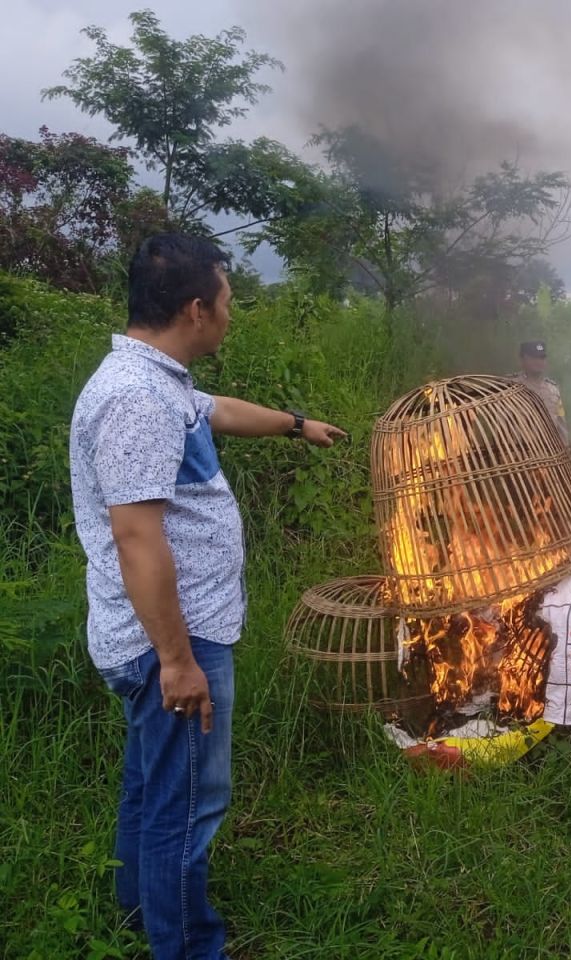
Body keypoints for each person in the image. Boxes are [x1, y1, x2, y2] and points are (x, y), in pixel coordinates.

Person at [69, 234, 347, 959]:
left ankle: (140, 914)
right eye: (227, 303)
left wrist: (295, 425)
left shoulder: (161, 382)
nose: (231, 315)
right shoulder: (136, 399)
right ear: (196, 310)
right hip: (169, 644)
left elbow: (216, 411)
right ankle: (188, 948)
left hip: (170, 635)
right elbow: (135, 536)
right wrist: (177, 660)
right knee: (185, 810)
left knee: (151, 790)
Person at [512, 340, 568, 441]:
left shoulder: (553, 390)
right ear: (522, 359)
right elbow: (501, 424)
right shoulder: (511, 386)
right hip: (520, 451)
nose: (538, 361)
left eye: (542, 358)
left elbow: (561, 424)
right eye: (533, 357)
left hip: (549, 450)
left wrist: (565, 449)